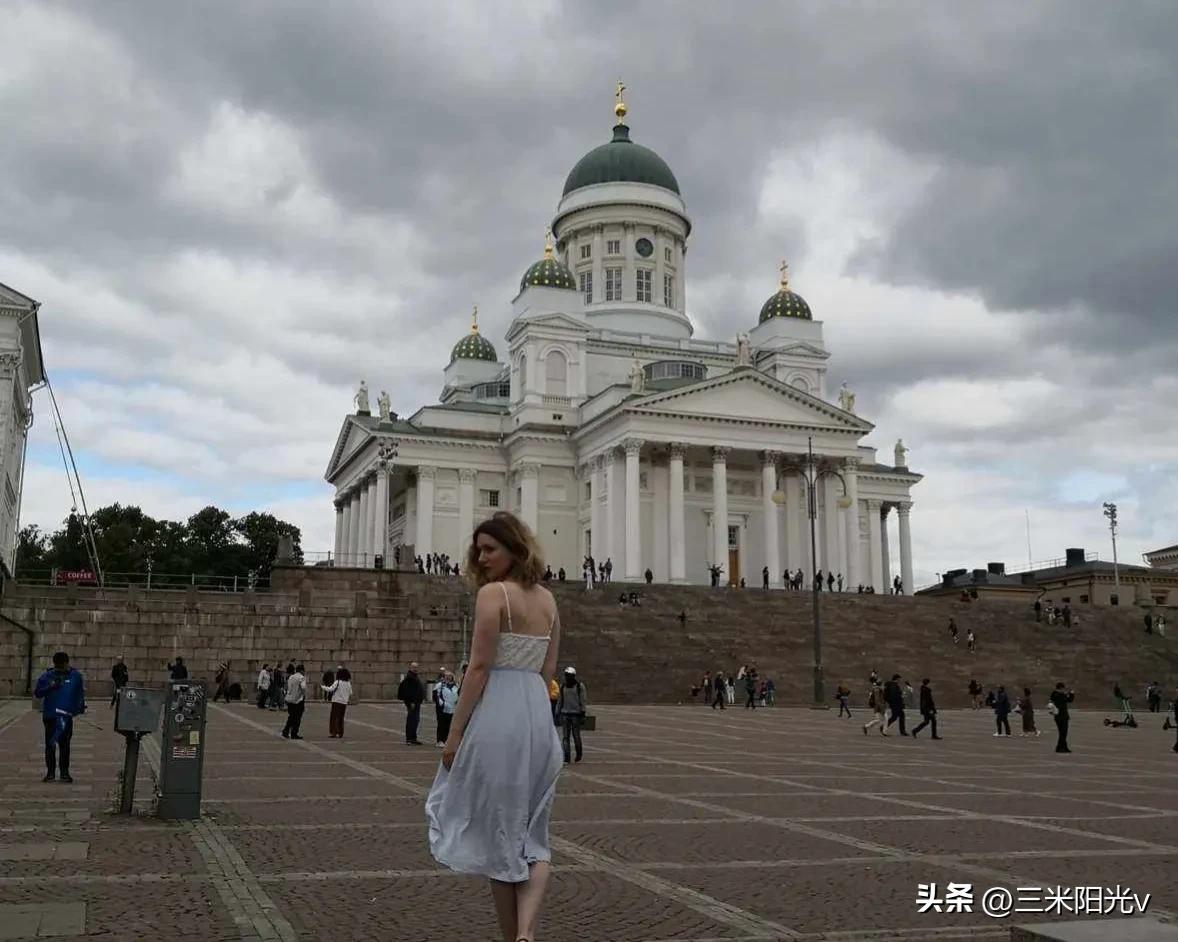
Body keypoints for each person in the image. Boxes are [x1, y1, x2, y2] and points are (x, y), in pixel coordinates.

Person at [426, 510, 563, 942]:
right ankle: (526, 932)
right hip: (538, 720)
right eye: (479, 549)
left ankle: (515, 938)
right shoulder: (548, 600)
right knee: (533, 836)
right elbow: (549, 668)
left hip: (500, 716)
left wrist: (455, 733)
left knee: (501, 835)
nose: (481, 557)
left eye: (490, 549)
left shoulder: (493, 596)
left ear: (513, 548)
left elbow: (480, 667)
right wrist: (535, 712)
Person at [34, 652, 86, 783]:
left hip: (65, 717)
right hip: (51, 716)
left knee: (65, 745)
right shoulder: (47, 676)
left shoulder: (75, 676)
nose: (60, 668)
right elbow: (38, 693)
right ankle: (50, 773)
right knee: (50, 745)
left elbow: (79, 694)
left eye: (62, 666)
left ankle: (64, 773)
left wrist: (78, 708)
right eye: (57, 666)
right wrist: (50, 687)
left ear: (66, 663)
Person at [556, 667, 588, 763]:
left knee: (574, 736)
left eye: (569, 675)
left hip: (574, 714)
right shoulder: (563, 686)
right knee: (568, 736)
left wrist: (583, 713)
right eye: (567, 675)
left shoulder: (579, 686)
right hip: (567, 714)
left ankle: (576, 754)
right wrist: (557, 712)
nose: (567, 677)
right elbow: (560, 701)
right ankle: (568, 756)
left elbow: (583, 700)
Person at [398, 662, 426, 745]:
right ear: (410, 668)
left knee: (415, 720)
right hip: (412, 703)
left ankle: (413, 738)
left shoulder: (414, 677)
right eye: (414, 667)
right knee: (411, 720)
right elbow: (409, 691)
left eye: (416, 667)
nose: (415, 669)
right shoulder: (409, 678)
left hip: (416, 702)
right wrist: (411, 702)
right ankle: (409, 739)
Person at [322, 666, 353, 738]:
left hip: (336, 702)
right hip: (344, 703)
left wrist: (323, 687)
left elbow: (330, 689)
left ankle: (334, 732)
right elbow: (351, 693)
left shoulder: (337, 682)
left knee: (334, 717)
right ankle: (340, 732)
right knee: (341, 718)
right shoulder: (348, 683)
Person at [281, 664, 307, 739]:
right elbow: (303, 687)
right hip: (298, 700)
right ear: (302, 670)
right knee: (297, 718)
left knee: (291, 716)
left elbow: (288, 687)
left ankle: (285, 731)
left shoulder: (291, 677)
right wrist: (303, 694)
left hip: (290, 699)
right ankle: (294, 733)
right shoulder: (301, 678)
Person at [1049, 682, 1075, 753]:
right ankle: (1059, 748)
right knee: (1063, 733)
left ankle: (1063, 747)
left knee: (1062, 733)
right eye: (1063, 688)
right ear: (1061, 688)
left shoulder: (1054, 694)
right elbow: (1069, 700)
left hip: (1057, 716)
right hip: (1062, 716)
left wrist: (1066, 694)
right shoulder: (1060, 695)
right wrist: (1071, 694)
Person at [435, 671, 458, 746]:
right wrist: (442, 704)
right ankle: (440, 740)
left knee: (450, 724)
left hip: (452, 708)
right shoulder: (440, 685)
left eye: (450, 676)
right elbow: (436, 696)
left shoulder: (456, 686)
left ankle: (448, 740)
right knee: (442, 724)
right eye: (446, 676)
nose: (448, 677)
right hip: (443, 708)